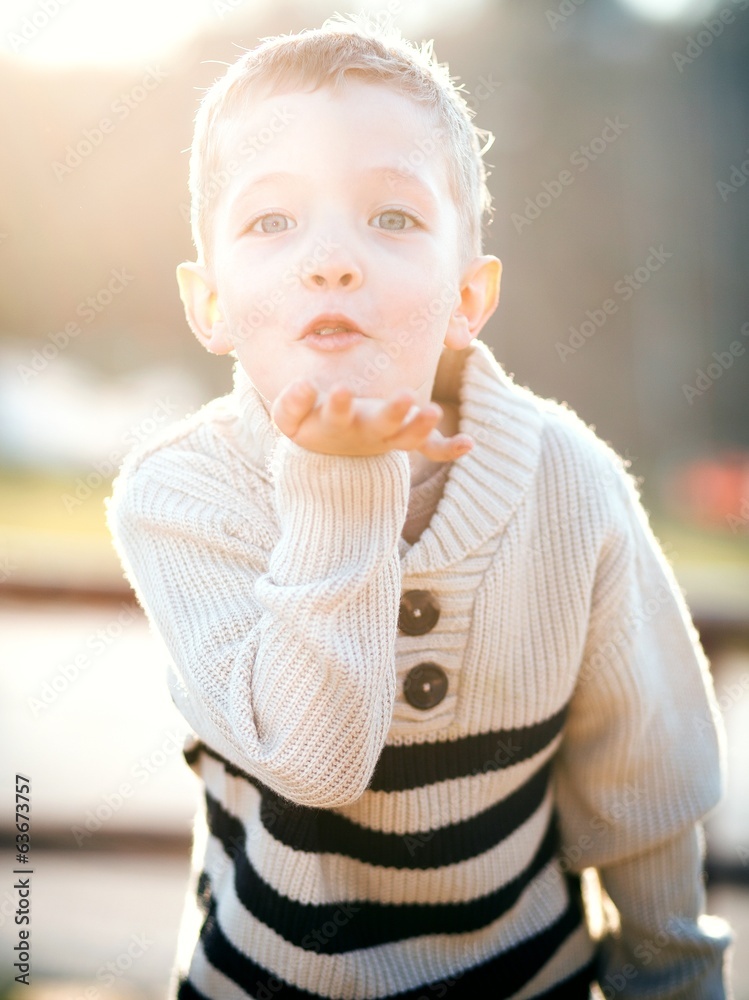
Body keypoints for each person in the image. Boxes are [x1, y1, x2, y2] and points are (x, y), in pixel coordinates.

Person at [106, 14, 733, 999]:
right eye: (271, 220)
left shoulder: (569, 484)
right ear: (210, 302)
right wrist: (340, 479)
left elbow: (643, 783)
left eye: (390, 217)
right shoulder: (178, 496)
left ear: (465, 297)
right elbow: (314, 762)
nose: (330, 258)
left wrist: (673, 976)